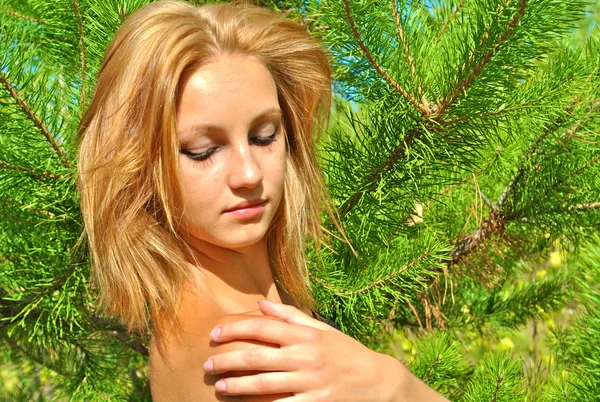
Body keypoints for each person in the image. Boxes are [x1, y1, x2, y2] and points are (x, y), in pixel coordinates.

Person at [77, 0, 448, 400]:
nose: (250, 174)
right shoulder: (242, 355)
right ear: (140, 168)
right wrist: (395, 387)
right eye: (203, 150)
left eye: (264, 136)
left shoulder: (258, 308)